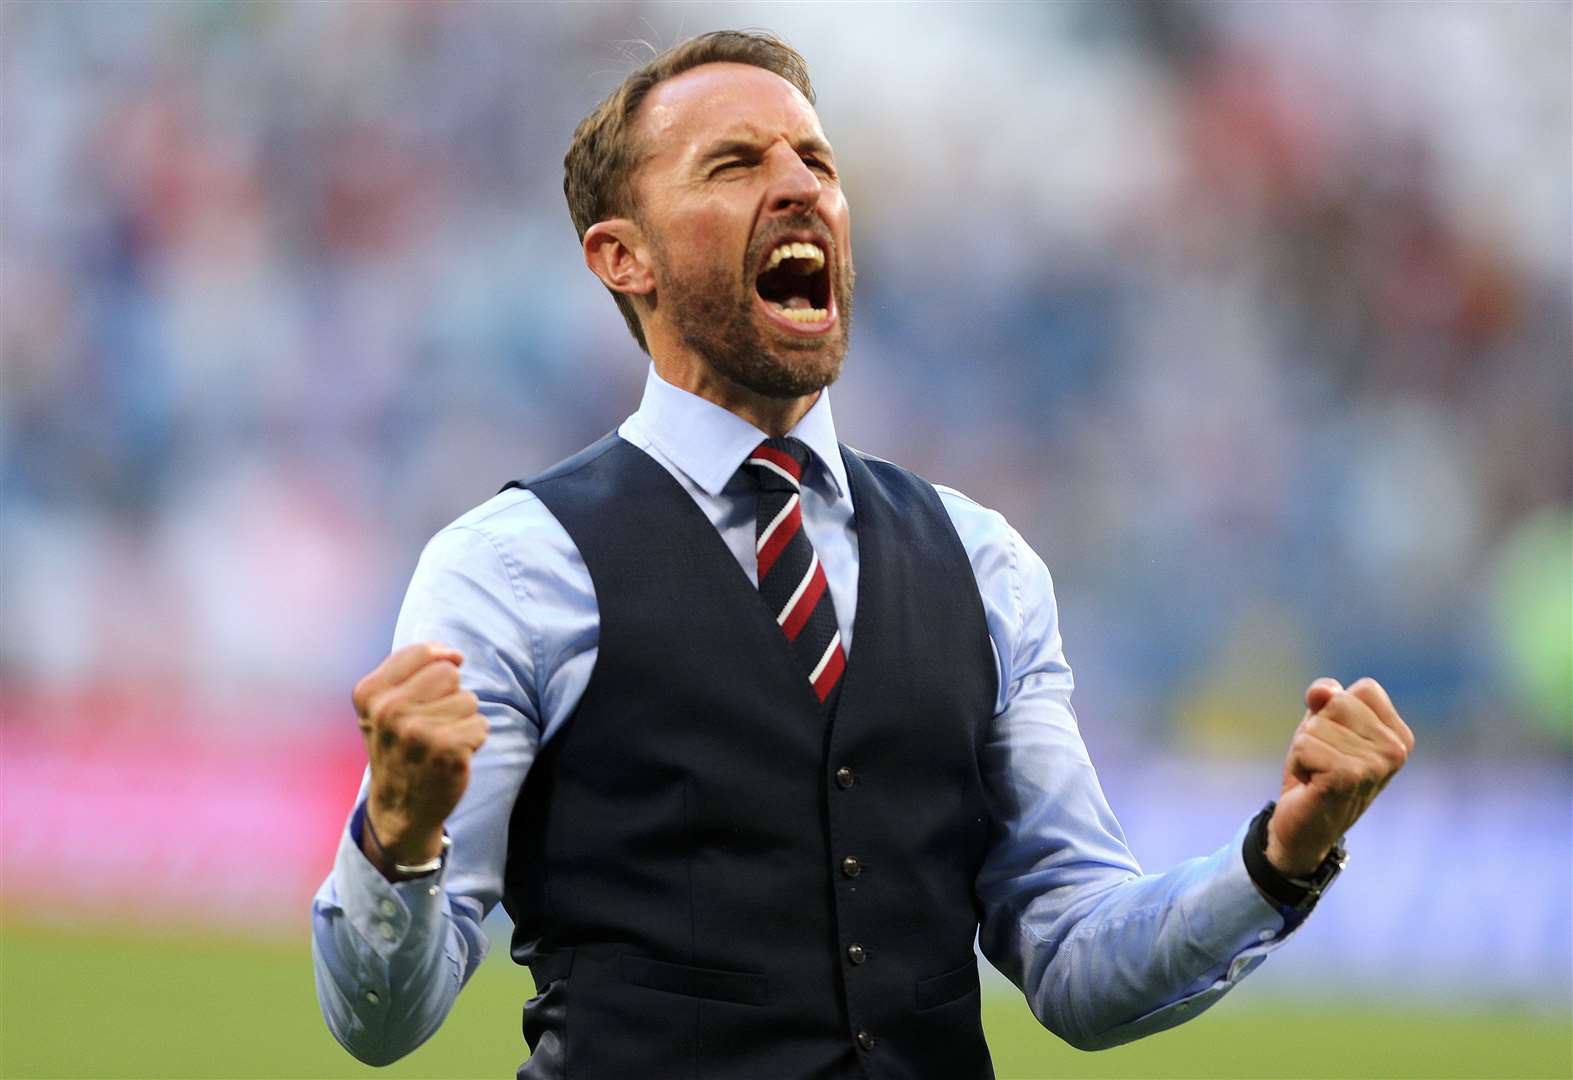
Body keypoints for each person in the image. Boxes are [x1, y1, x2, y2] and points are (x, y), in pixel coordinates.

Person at [310, 30, 1413, 1079]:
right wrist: (397, 838)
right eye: (735, 163)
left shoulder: (983, 566)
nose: (799, 187)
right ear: (622, 255)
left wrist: (1279, 855)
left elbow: (1077, 961)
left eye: (816, 161)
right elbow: (383, 1021)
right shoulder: (511, 569)